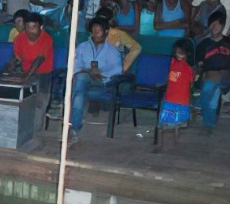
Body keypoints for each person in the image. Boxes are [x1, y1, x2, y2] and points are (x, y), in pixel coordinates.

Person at [69, 16, 124, 145]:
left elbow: (117, 70)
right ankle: (74, 129)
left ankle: (73, 128)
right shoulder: (83, 47)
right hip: (83, 80)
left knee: (77, 94)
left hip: (101, 85)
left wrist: (101, 74)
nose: (96, 32)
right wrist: (87, 71)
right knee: (80, 86)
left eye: (99, 29)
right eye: (94, 29)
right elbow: (74, 64)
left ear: (105, 31)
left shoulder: (111, 50)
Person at [195, 11, 230, 132]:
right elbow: (199, 65)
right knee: (213, 97)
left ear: (222, 26)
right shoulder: (203, 44)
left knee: (213, 89)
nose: (215, 27)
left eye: (218, 24)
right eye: (213, 24)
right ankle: (208, 124)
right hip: (208, 76)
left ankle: (200, 107)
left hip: (224, 76)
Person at [11, 13, 56, 132]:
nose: (31, 31)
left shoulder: (46, 39)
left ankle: (36, 129)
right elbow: (17, 56)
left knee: (40, 101)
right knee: (21, 97)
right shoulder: (19, 38)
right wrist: (10, 66)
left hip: (43, 72)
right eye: (28, 27)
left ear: (40, 27)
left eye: (34, 28)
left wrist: (28, 75)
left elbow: (39, 59)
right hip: (26, 71)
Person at [157, 38, 195, 148]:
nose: (178, 54)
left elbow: (190, 85)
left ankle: (169, 147)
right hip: (170, 101)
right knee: (165, 127)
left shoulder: (189, 69)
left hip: (181, 102)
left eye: (182, 52)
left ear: (187, 53)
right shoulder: (171, 64)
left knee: (175, 127)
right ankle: (162, 146)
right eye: (177, 51)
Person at [97, 6, 145, 72]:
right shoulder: (92, 33)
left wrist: (123, 67)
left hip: (113, 72)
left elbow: (136, 48)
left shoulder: (119, 34)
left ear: (111, 21)